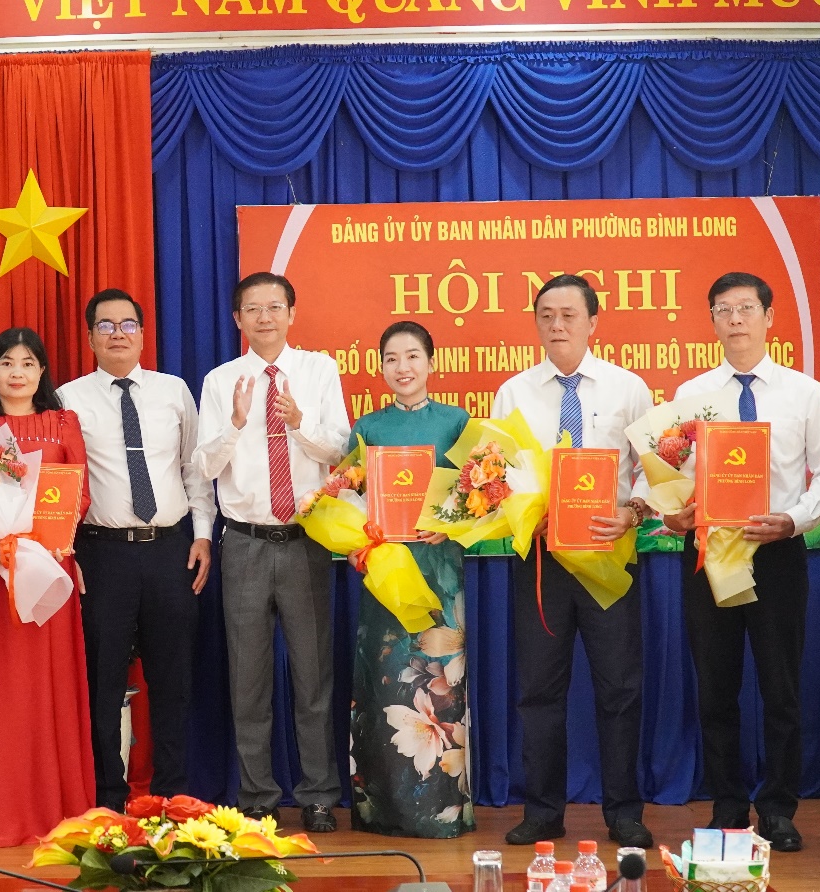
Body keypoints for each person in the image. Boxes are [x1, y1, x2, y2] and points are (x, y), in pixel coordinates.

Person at [662, 272, 820, 853]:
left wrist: (793, 520)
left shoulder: (804, 392)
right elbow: (669, 474)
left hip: (777, 552)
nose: (735, 319)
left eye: (746, 308)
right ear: (712, 322)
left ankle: (778, 808)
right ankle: (727, 804)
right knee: (715, 687)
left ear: (769, 317)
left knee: (780, 687)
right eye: (723, 309)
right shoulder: (692, 394)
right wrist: (674, 512)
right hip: (710, 553)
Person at [490, 274, 655, 849]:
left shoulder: (628, 388)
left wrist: (633, 511)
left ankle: (624, 812)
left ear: (593, 322)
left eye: (568, 315)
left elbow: (654, 471)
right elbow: (499, 474)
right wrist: (521, 512)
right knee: (538, 690)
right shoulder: (513, 392)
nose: (556, 325)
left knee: (620, 688)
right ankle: (543, 812)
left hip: (610, 556)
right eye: (546, 315)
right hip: (542, 560)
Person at [193, 271, 350, 832]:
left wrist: (300, 426)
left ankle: (318, 795)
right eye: (253, 309)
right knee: (249, 677)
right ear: (238, 319)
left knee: (313, 677)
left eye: (275, 307)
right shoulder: (220, 381)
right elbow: (205, 466)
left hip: (306, 539)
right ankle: (257, 795)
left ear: (291, 313)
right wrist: (236, 424)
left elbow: (341, 450)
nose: (265, 317)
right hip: (245, 544)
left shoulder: (319, 370)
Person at [56, 289, 215, 813]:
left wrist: (202, 535)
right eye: (106, 325)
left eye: (128, 324)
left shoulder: (174, 391)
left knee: (173, 680)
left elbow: (194, 469)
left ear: (144, 334)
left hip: (171, 551)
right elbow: (60, 479)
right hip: (102, 555)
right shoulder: (67, 398)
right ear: (90, 337)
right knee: (102, 681)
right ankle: (108, 797)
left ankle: (171, 796)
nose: (118, 334)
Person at [0, 327, 95, 846]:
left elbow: (78, 494)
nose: (17, 373)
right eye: (6, 363)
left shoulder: (63, 422)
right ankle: (1, 811)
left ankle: (58, 809)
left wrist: (46, 541)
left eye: (28, 363)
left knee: (48, 686)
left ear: (42, 371)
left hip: (48, 566)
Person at [347, 321, 473, 838]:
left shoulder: (457, 422)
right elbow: (347, 497)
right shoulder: (367, 429)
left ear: (431, 363)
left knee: (441, 686)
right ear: (380, 368)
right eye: (392, 359)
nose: (403, 367)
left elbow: (479, 493)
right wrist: (359, 534)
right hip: (386, 573)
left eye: (413, 356)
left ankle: (442, 811)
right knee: (386, 682)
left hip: (439, 572)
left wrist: (452, 522)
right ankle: (382, 809)